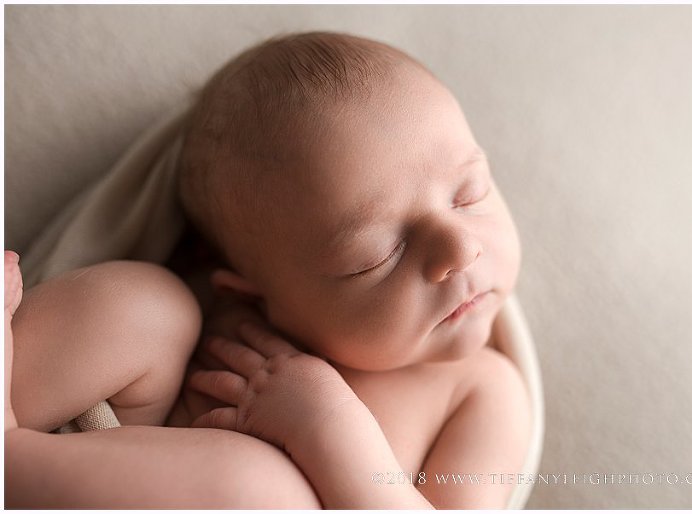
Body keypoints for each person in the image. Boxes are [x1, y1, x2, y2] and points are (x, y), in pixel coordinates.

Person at [5, 31, 531, 509]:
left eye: (470, 194)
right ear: (256, 295)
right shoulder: (235, 320)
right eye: (375, 256)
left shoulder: (485, 390)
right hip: (105, 459)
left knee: (269, 489)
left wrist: (327, 427)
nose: (460, 248)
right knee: (146, 306)